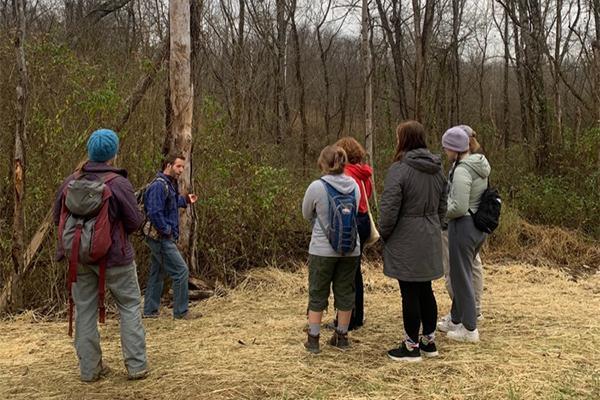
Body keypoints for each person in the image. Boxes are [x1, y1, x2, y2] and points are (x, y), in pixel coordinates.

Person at [53, 128, 148, 382]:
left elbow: (57, 220)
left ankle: (89, 371)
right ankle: (137, 367)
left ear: (90, 151)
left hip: (79, 258)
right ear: (113, 153)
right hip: (116, 258)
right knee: (129, 307)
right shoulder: (118, 183)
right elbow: (134, 222)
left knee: (84, 311)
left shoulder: (69, 182)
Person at [378, 121, 447, 362]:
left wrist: (383, 235)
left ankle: (411, 347)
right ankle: (429, 341)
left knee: (409, 291)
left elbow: (388, 209)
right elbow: (443, 205)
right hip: (429, 235)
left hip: (406, 236)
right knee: (425, 288)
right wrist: (437, 224)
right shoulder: (437, 168)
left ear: (404, 140)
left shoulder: (399, 169)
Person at [301, 145, 361, 353]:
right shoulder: (354, 185)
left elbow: (306, 213)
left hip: (322, 249)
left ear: (323, 163)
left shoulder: (317, 187)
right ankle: (342, 336)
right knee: (345, 292)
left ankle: (314, 339)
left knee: (318, 292)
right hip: (351, 248)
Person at [437, 127, 491, 343]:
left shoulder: (461, 171)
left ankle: (469, 329)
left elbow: (458, 206)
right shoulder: (478, 165)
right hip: (478, 225)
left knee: (461, 277)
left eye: (446, 147)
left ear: (454, 148)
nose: (444, 151)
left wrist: (440, 210)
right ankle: (457, 319)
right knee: (465, 272)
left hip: (463, 225)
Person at [142, 153, 199, 320]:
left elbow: (171, 204)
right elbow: (154, 212)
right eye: (178, 166)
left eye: (183, 167)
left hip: (162, 237)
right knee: (181, 271)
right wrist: (166, 230)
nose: (181, 170)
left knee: (157, 273)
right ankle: (181, 312)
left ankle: (150, 311)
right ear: (168, 165)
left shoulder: (168, 185)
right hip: (160, 238)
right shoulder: (159, 186)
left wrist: (187, 200)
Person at [329, 136, 373, 331]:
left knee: (346, 273)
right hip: (363, 221)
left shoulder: (346, 174)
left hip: (350, 221)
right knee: (355, 272)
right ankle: (357, 316)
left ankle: (348, 319)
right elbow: (367, 195)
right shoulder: (364, 174)